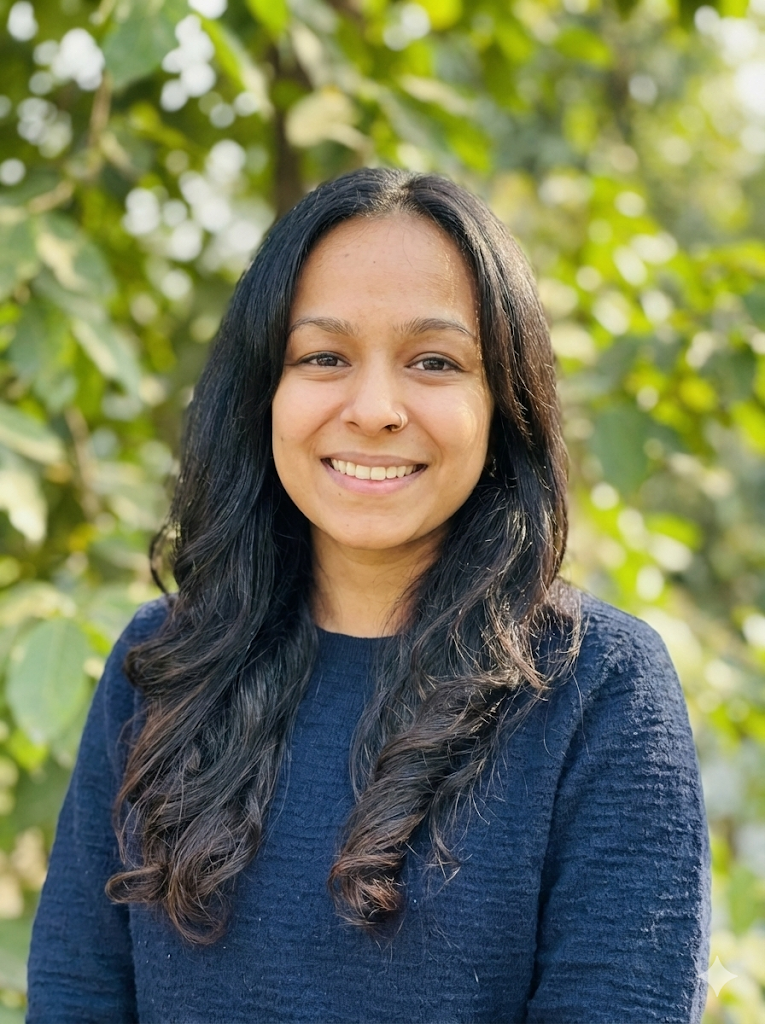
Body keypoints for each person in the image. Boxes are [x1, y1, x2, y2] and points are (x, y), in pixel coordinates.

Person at [27, 168, 711, 1023]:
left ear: (502, 402)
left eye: (433, 361)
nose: (376, 407)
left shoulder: (596, 686)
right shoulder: (161, 668)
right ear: (261, 393)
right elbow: (76, 998)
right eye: (323, 356)